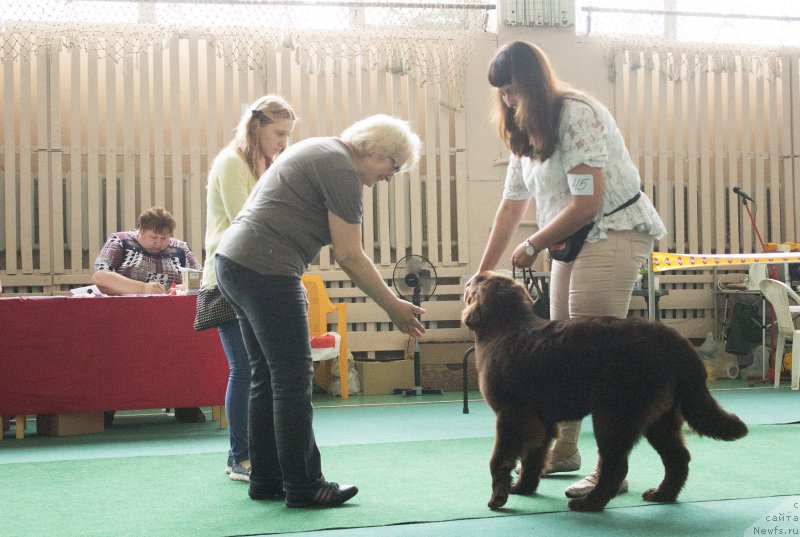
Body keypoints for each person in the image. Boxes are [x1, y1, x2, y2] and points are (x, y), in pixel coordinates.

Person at [471, 41, 667, 499]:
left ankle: (608, 472)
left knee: (595, 353)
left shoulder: (577, 114)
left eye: (514, 90)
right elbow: (510, 207)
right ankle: (564, 450)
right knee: (558, 348)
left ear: (534, 84)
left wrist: (534, 242)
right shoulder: (523, 133)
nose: (507, 100)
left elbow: (588, 202)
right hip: (571, 237)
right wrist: (480, 274)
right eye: (501, 93)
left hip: (614, 228)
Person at [216, 114, 425, 508]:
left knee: (267, 376)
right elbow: (349, 255)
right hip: (267, 267)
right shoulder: (340, 167)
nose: (390, 177)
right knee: (294, 379)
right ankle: (305, 485)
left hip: (235, 262)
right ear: (378, 151)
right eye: (392, 167)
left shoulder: (318, 148)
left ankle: (266, 479)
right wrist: (393, 306)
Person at [199, 95, 296, 483]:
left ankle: (256, 453)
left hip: (255, 275)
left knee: (258, 372)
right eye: (279, 133)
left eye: (289, 134)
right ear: (257, 126)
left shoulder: (262, 165)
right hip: (230, 278)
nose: (284, 142)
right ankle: (239, 455)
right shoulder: (231, 162)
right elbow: (251, 219)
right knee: (245, 371)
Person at [93, 206, 206, 425]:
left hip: (172, 322)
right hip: (125, 321)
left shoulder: (180, 248)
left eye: (164, 238)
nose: (159, 243)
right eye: (153, 237)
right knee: (116, 358)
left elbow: (199, 277)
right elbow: (100, 277)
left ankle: (187, 402)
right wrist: (142, 288)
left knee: (187, 350)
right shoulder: (121, 242)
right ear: (140, 231)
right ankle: (108, 405)